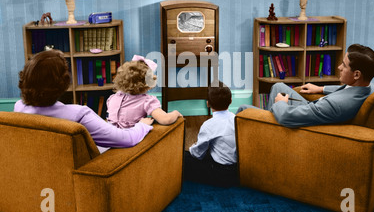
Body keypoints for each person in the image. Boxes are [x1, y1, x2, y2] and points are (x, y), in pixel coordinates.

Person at [14, 49, 154, 153]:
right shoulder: (78, 114)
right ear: (63, 82)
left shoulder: (19, 108)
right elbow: (126, 139)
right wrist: (142, 125)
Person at [237, 44, 374, 127]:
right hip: (315, 108)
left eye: (344, 65)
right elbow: (348, 91)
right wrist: (321, 89)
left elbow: (287, 117)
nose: (339, 67)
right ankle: (269, 127)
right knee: (278, 86)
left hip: (301, 118)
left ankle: (272, 129)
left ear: (356, 74)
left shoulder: (336, 105)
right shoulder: (368, 86)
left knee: (243, 110)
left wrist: (281, 104)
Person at [184, 81, 238, 187]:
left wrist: (192, 147)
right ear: (231, 101)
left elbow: (197, 154)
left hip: (220, 173)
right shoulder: (236, 119)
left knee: (184, 157)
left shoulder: (208, 125)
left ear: (207, 103)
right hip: (237, 170)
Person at [106, 55, 182, 128]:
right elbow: (166, 119)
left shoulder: (113, 98)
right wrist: (175, 113)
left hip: (109, 135)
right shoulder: (147, 101)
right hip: (129, 138)